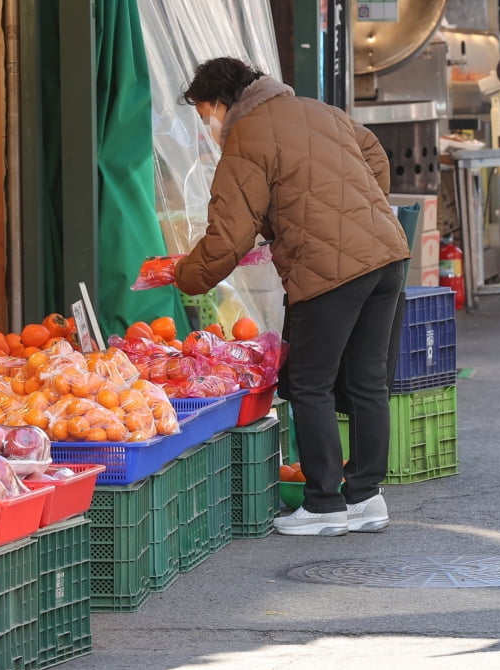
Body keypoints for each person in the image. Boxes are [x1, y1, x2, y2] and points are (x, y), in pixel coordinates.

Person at [174, 57, 411, 536]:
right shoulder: (319, 110)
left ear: (222, 102)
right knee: (367, 381)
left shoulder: (247, 138)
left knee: (308, 382)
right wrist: (353, 218)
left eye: (206, 115)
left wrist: (184, 275)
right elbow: (376, 158)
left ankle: (324, 504)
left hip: (329, 270)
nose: (209, 127)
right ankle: (366, 496)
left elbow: (228, 234)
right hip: (386, 254)